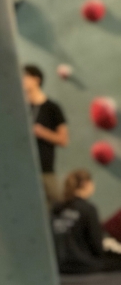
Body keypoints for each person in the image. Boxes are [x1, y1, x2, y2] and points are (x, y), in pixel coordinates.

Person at [52, 169, 121, 274]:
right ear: (86, 184)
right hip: (81, 264)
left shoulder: (56, 208)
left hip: (58, 263)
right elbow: (96, 246)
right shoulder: (88, 209)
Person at [22, 64, 69, 208]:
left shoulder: (52, 108)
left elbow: (63, 139)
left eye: (24, 76)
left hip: (46, 170)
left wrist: (42, 132)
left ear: (36, 80)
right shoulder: (20, 108)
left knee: (56, 208)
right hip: (25, 171)